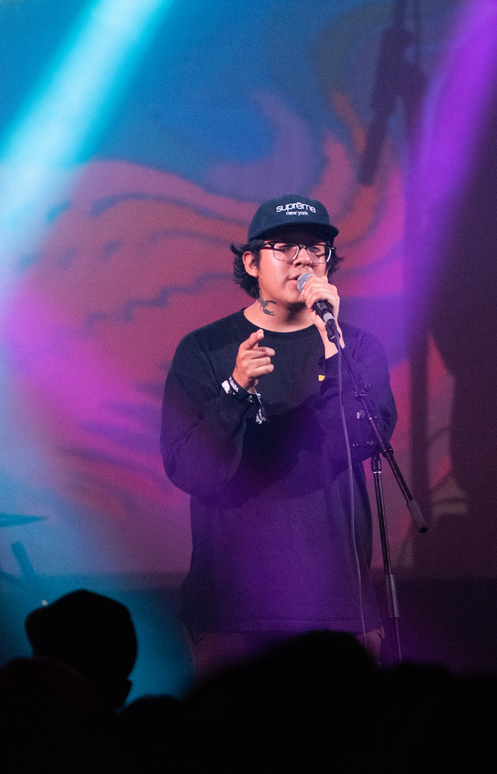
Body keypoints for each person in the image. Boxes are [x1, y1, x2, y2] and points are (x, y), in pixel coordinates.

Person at [160, 193, 397, 674]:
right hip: (233, 606)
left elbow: (363, 437)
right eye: (284, 247)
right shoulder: (206, 349)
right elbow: (191, 470)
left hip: (336, 603)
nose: (303, 259)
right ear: (250, 261)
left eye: (315, 248)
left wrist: (334, 350)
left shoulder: (356, 350)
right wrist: (235, 389)